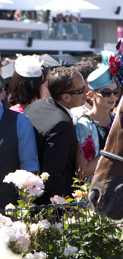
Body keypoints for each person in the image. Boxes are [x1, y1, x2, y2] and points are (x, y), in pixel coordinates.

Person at [24, 66, 87, 202]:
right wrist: (64, 206)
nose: (86, 93)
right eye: (81, 90)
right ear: (66, 97)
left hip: (29, 193)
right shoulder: (62, 124)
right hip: (50, 205)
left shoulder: (35, 106)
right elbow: (53, 174)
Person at [0, 76, 40, 207]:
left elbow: (29, 168)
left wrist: (22, 212)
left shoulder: (20, 122)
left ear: (3, 93)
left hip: (8, 211)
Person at [75, 65, 119, 179]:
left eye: (115, 91)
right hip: (94, 189)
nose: (113, 96)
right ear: (91, 95)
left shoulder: (117, 120)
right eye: (106, 93)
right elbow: (83, 171)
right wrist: (111, 152)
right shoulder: (84, 125)